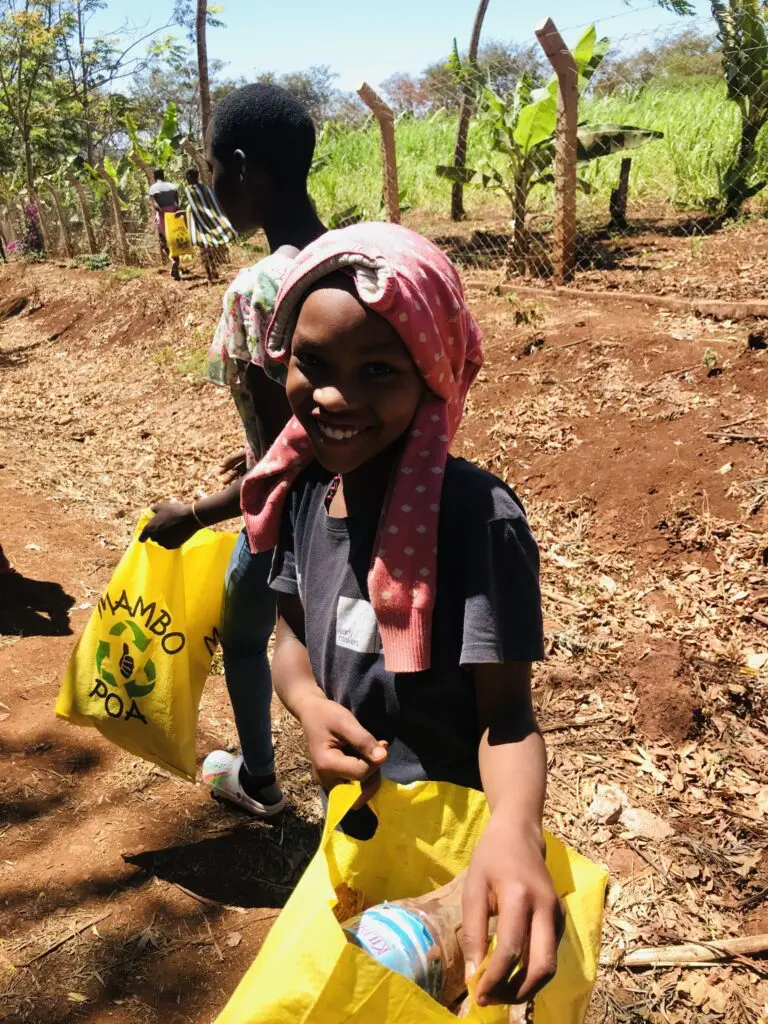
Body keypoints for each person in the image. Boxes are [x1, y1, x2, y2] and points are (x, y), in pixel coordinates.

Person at [240, 222, 563, 1009]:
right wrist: (308, 704)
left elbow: (508, 719)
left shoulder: (476, 519)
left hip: (458, 860)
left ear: (432, 374)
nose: (333, 396)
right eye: (313, 363)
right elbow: (291, 634)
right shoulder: (307, 493)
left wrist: (515, 832)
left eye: (378, 370)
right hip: (357, 837)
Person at [139, 84, 326, 818]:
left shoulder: (259, 287)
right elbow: (309, 416)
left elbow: (290, 450)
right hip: (360, 508)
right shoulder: (350, 254)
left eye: (213, 168)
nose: (212, 183)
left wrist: (194, 514)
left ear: (244, 169)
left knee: (249, 640)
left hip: (287, 514)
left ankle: (260, 780)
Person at [182, 166, 237, 283]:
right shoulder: (206, 188)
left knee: (203, 250)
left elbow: (194, 206)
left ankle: (209, 275)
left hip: (199, 223)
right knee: (209, 249)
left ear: (189, 177)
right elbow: (211, 204)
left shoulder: (189, 190)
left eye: (187, 176)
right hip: (207, 221)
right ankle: (214, 271)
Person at [148, 168, 181, 280]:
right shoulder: (173, 186)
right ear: (163, 175)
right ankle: (177, 267)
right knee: (175, 242)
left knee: (164, 243)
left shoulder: (153, 188)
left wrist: (163, 213)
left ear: (154, 176)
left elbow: (155, 205)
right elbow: (177, 203)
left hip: (162, 217)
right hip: (174, 215)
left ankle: (172, 261)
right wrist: (173, 212)